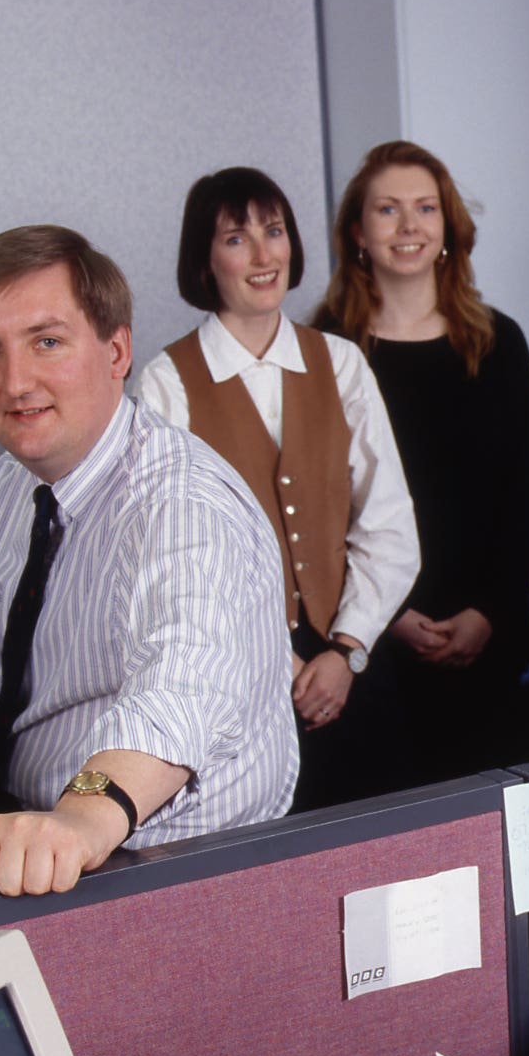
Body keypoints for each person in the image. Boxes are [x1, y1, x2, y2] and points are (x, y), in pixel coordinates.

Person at [0, 226, 297, 897]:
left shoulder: (183, 506)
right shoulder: (11, 484)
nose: (15, 381)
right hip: (30, 834)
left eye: (46, 341)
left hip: (166, 865)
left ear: (116, 351)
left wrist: (78, 819)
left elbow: (180, 692)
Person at [135, 168, 419, 811]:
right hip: (233, 684)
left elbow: (389, 526)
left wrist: (348, 652)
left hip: (352, 664)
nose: (265, 256)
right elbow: (172, 558)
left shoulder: (341, 363)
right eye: (237, 239)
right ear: (205, 261)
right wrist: (276, 660)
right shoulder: (165, 383)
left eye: (275, 231)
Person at [312, 141, 529, 780]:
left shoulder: (499, 343)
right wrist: (381, 618)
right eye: (388, 210)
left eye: (426, 208)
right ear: (358, 233)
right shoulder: (323, 349)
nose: (410, 226)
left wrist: (488, 614)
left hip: (485, 635)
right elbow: (314, 510)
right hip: (370, 641)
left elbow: (522, 496)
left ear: (448, 228)